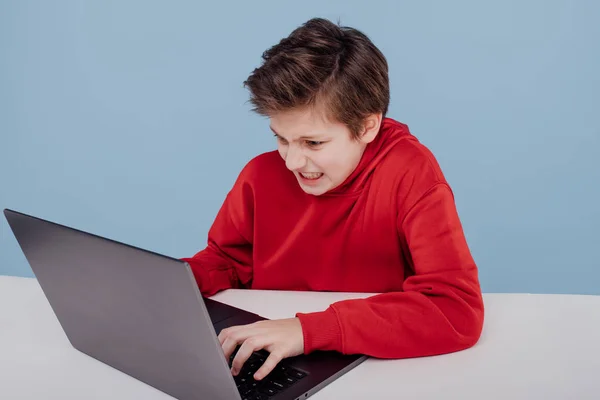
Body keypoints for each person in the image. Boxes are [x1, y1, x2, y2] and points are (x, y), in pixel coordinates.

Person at [182, 17, 484, 382]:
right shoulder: (260, 175)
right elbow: (228, 260)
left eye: (313, 143)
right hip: (275, 353)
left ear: (368, 126)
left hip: (371, 369)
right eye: (281, 138)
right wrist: (176, 285)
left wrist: (308, 331)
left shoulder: (412, 175)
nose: (292, 162)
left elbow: (456, 310)